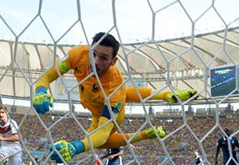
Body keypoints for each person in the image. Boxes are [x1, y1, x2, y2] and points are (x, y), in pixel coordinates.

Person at [32, 32, 198, 163]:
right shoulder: (78, 54)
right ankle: (166, 96)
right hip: (93, 106)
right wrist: (40, 91)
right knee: (96, 138)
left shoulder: (114, 85)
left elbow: (103, 133)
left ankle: (145, 134)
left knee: (99, 140)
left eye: (103, 58)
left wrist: (76, 148)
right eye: (93, 54)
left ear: (114, 61)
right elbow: (46, 77)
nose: (95, 61)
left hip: (108, 113)